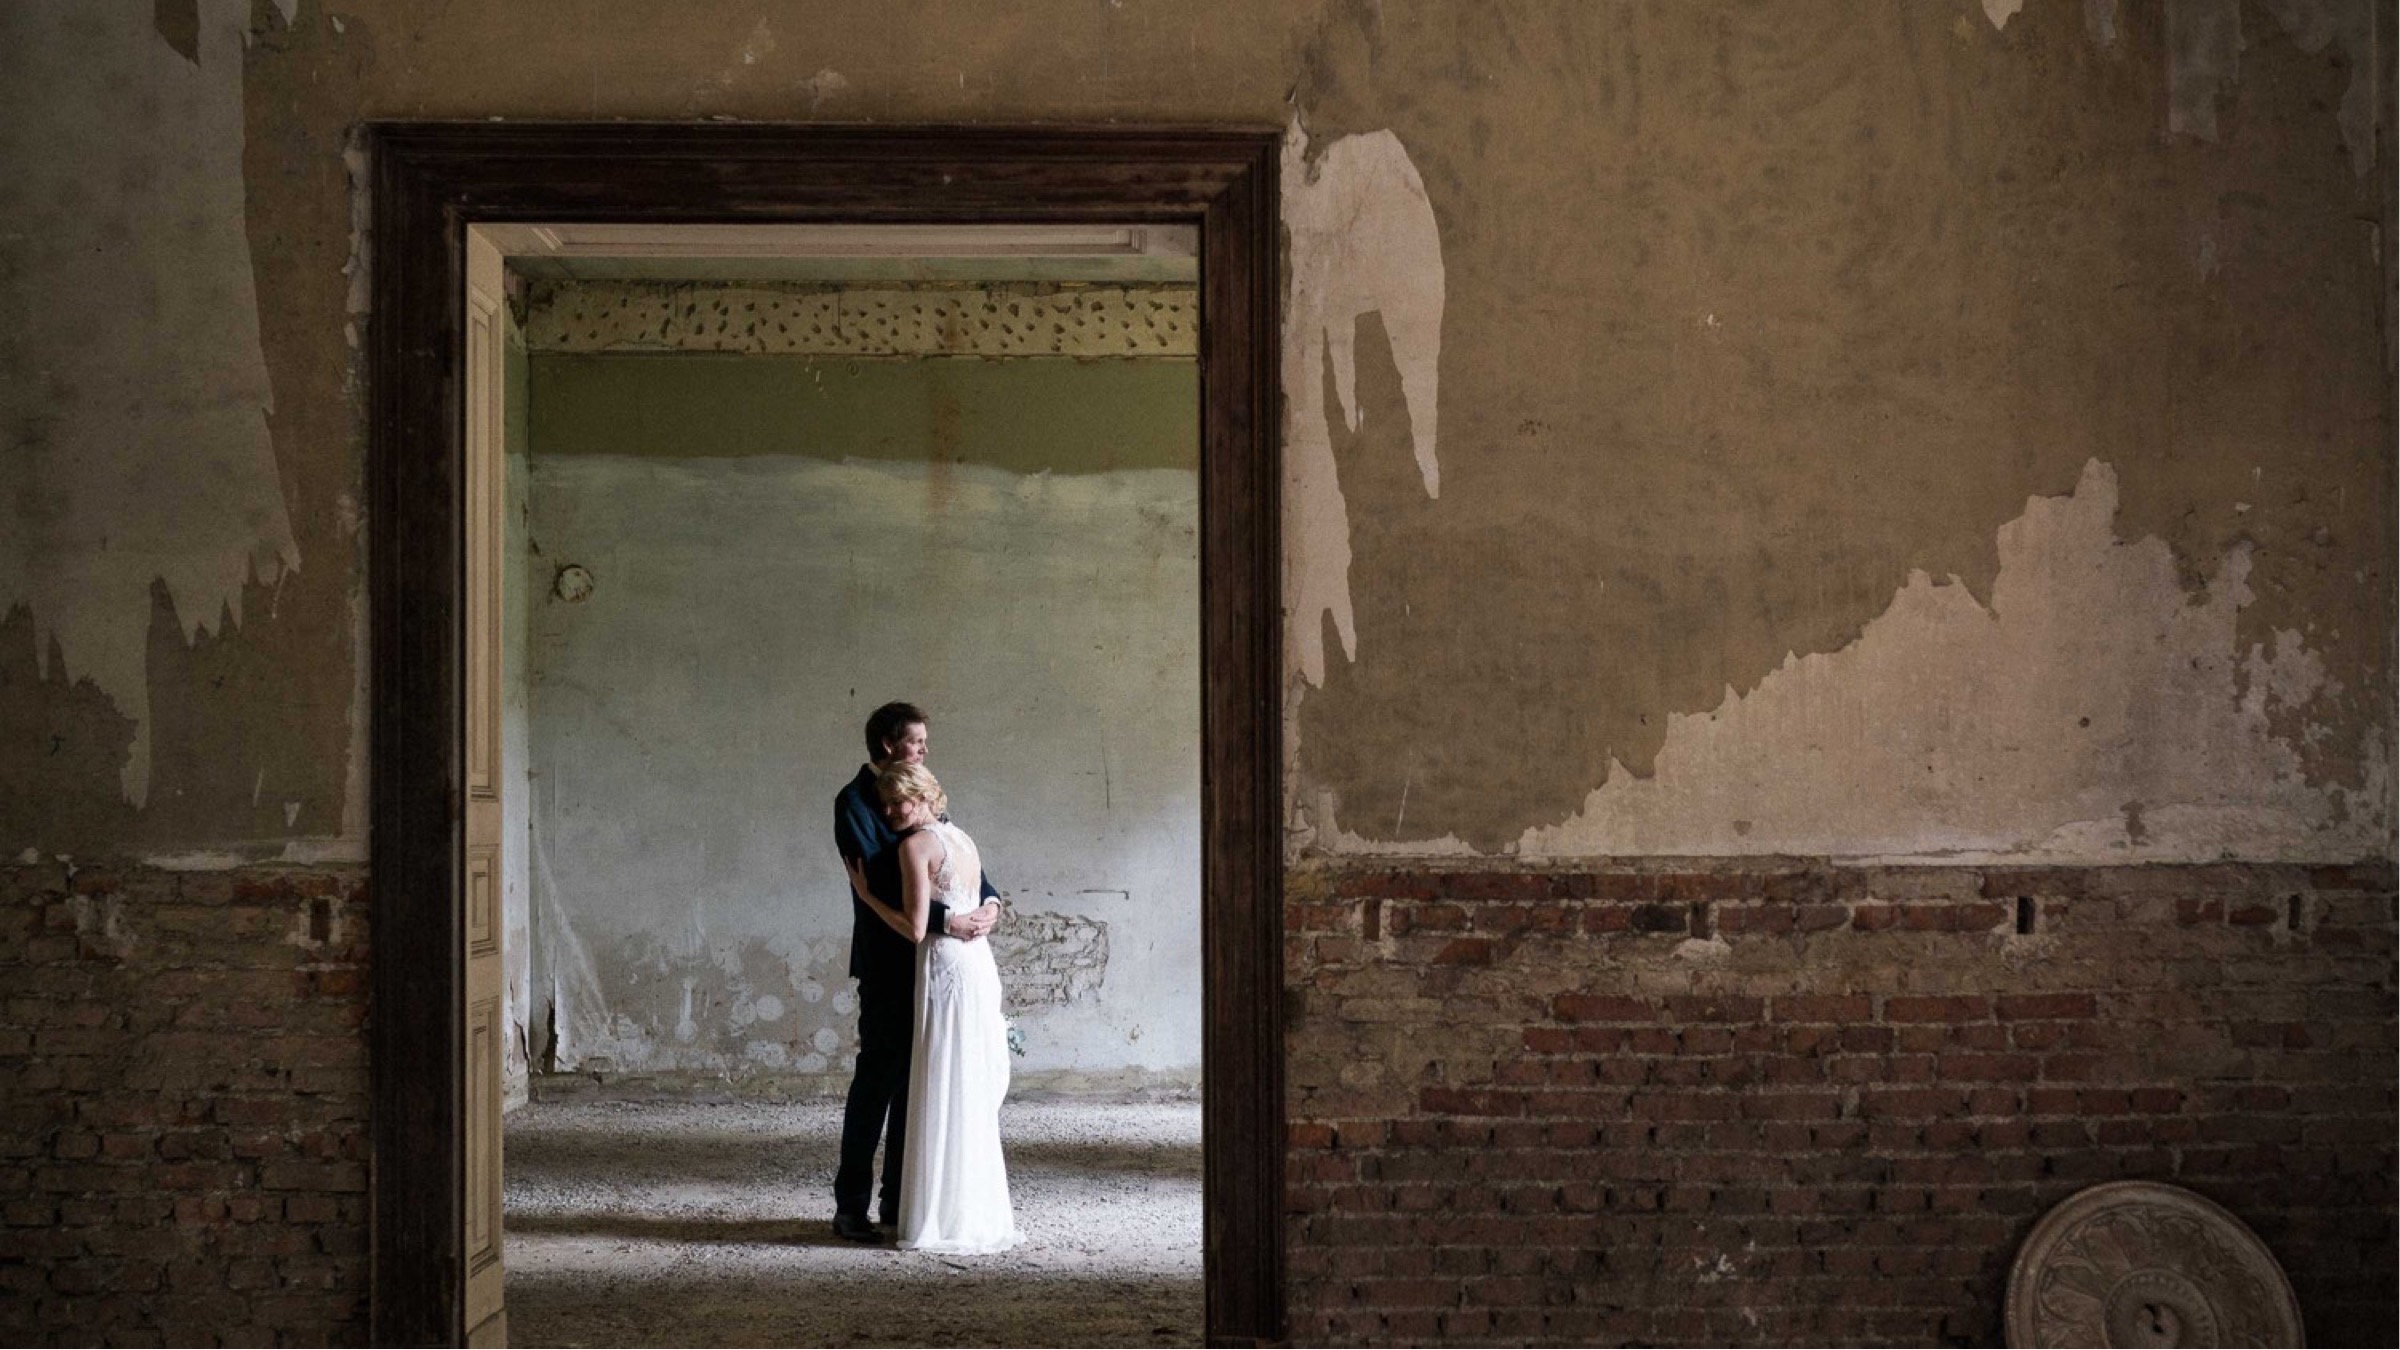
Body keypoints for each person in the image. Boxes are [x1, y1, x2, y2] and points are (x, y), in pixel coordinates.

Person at [832, 702, 1001, 1242]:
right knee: (877, 1082)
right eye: (917, 741)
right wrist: (952, 921)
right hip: (890, 961)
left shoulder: (920, 793)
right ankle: (850, 1204)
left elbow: (959, 862)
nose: (925, 750)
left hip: (937, 965)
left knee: (920, 1085)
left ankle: (903, 1201)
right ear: (887, 744)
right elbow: (883, 874)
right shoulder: (856, 802)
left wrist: (992, 904)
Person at [854, 761, 1022, 1254]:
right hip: (977, 965)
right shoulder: (962, 839)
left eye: (897, 802)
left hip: (945, 966)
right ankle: (971, 1209)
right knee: (965, 1079)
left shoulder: (915, 845)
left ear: (922, 797)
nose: (888, 813)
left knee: (941, 1077)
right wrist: (989, 911)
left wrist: (867, 896)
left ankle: (939, 1214)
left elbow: (914, 925)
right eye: (884, 804)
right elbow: (985, 896)